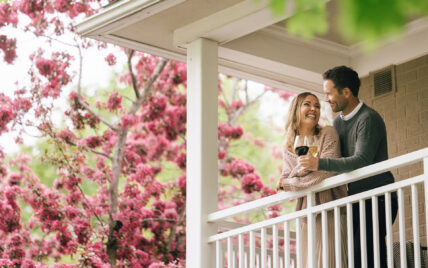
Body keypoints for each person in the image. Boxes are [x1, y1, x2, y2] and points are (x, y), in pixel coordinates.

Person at [298, 66, 399, 268]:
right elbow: (332, 157)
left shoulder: (368, 119)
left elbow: (361, 159)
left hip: (378, 198)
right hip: (354, 201)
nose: (326, 99)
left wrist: (319, 162)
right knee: (354, 258)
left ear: (346, 92)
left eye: (329, 93)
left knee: (368, 254)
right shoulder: (337, 124)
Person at [277, 92, 348, 268]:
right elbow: (293, 177)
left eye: (317, 106)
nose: (313, 109)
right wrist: (306, 171)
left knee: (331, 261)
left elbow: (327, 172)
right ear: (296, 109)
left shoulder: (328, 133)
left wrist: (292, 179)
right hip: (306, 214)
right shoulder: (288, 147)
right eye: (307, 104)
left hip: (330, 208)